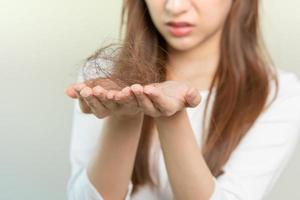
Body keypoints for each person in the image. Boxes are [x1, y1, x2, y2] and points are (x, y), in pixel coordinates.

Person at [64, 0, 300, 199]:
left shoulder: (279, 93)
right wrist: (123, 115)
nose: (174, 7)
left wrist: (172, 115)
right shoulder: (103, 78)